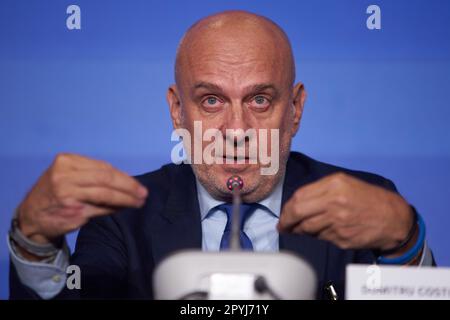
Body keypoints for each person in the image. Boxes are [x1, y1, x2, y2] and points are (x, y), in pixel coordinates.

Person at [8, 10, 434, 300]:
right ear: (177, 110)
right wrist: (34, 243)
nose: (236, 131)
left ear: (296, 109)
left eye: (260, 100)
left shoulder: (365, 201)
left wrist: (406, 242)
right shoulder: (121, 219)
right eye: (211, 101)